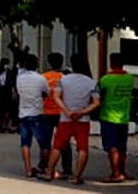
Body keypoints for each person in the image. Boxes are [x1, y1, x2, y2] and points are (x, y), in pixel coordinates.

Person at [44, 53, 100, 185]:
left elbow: (56, 96)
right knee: (82, 148)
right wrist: (82, 112)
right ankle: (76, 176)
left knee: (57, 146)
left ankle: (49, 172)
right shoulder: (92, 83)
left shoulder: (63, 80)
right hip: (83, 120)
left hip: (66, 119)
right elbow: (96, 102)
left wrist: (67, 111)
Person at [14, 54, 51, 178]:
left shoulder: (19, 78)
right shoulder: (41, 79)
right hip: (37, 113)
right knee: (45, 144)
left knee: (25, 143)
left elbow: (18, 92)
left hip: (23, 113)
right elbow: (47, 92)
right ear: (37, 65)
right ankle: (43, 167)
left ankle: (28, 169)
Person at [99, 52, 133, 183]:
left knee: (111, 146)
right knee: (122, 147)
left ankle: (115, 173)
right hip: (124, 117)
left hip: (109, 116)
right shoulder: (129, 78)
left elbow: (100, 96)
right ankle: (123, 171)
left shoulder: (106, 79)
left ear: (111, 63)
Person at [39, 52, 73, 178]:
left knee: (45, 141)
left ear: (49, 63)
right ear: (62, 63)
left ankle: (44, 165)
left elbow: (41, 94)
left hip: (46, 112)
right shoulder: (65, 78)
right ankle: (67, 168)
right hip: (61, 112)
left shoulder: (44, 77)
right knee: (64, 141)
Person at [0, 58, 13, 132]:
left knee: (7, 108)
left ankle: (5, 124)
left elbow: (12, 81)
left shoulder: (10, 72)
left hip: (7, 91)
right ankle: (0, 124)